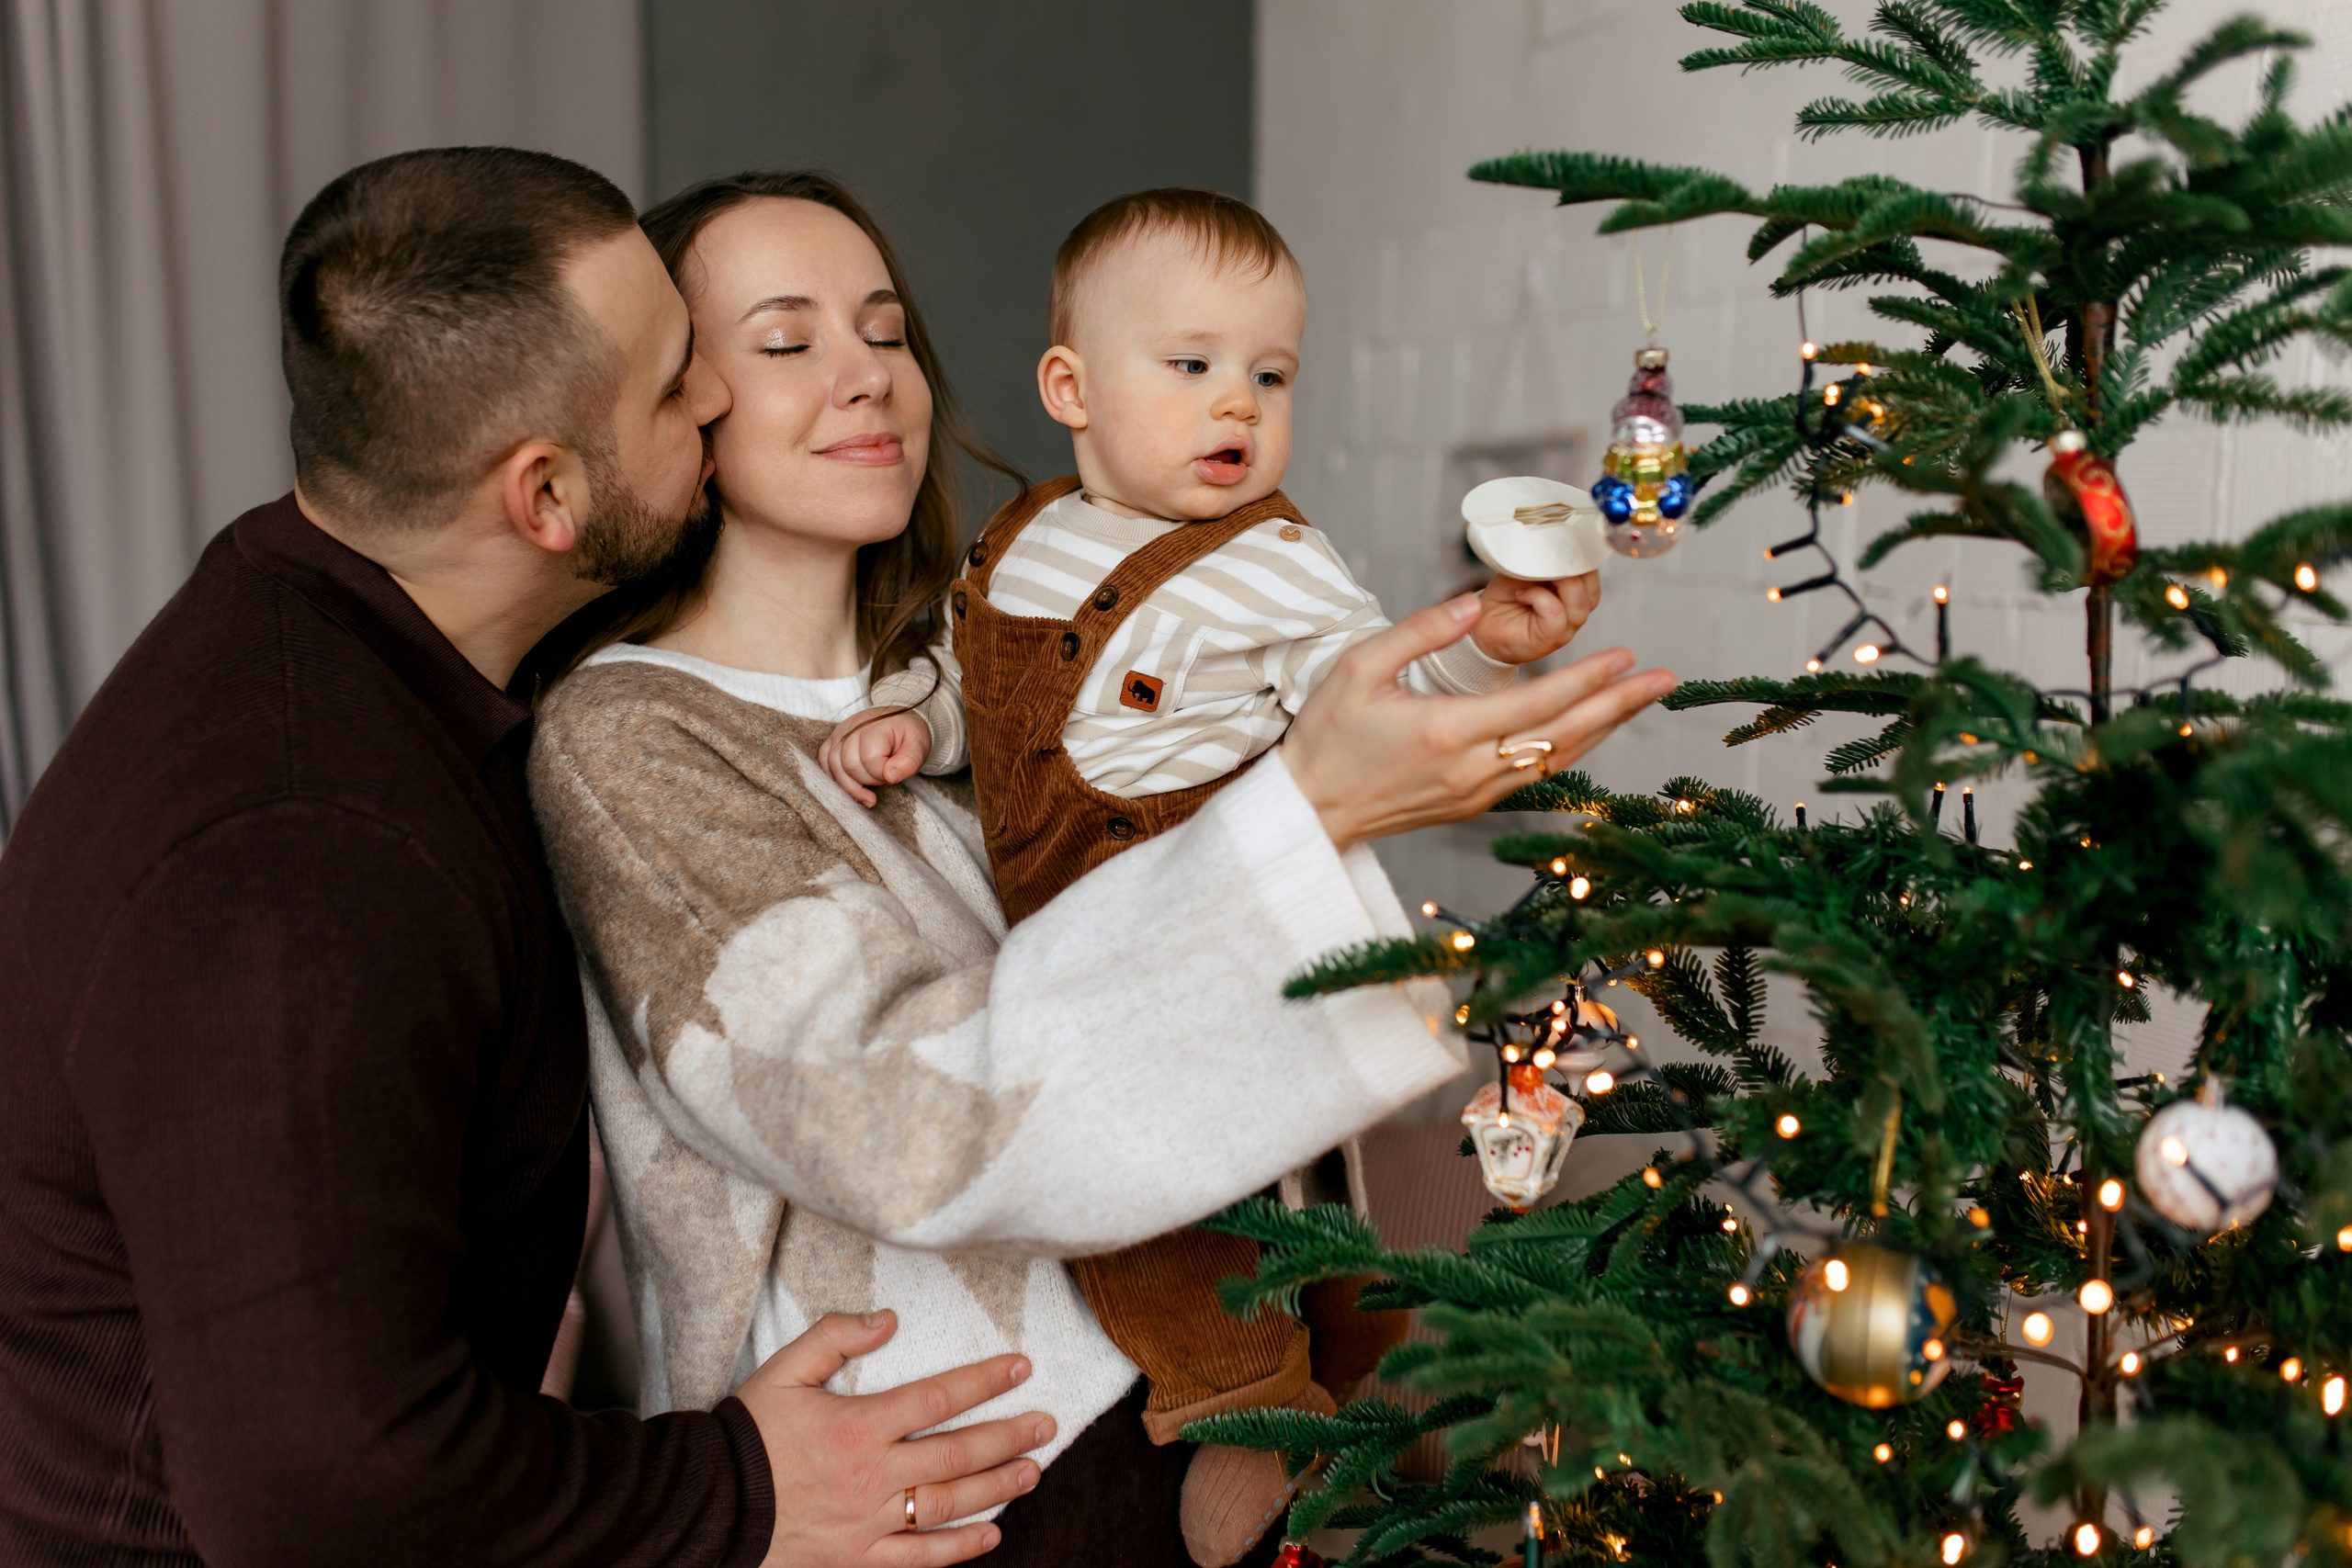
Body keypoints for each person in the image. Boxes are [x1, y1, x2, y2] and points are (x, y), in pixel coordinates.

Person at [527, 171, 1668, 1568]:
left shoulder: (981, 660)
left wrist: (1460, 674)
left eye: (886, 333)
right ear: (669, 402)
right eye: (786, 341)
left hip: (1211, 1421)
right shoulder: (636, 733)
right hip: (948, 1480)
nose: (865, 379)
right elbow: (884, 1117)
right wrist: (1304, 809)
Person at [0, 148, 1058, 1568]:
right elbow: (314, 1484)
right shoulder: (300, 857)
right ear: (547, 499)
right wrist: (735, 1490)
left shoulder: (351, 651)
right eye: (684, 377)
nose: (719, 403)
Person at [822, 186, 1605, 1566]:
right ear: (1072, 386)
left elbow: (1389, 676)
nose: (1234, 403)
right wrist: (916, 725)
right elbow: (975, 683)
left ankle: (1255, 1411)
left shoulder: (1276, 567)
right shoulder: (1018, 544)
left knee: (1182, 1208)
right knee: (1250, 1193)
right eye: (1190, 366)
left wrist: (1495, 645)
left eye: (1269, 373)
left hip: (1211, 930)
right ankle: (1352, 1382)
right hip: (1079, 950)